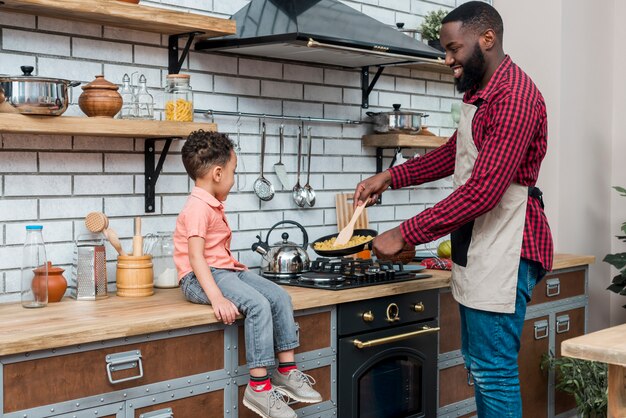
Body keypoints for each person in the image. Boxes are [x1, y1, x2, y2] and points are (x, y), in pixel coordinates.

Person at [354, 2, 553, 417]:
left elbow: (483, 191)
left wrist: (405, 233)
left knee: (493, 372)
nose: (448, 60)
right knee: (481, 368)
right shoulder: (485, 93)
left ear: (487, 39)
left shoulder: (514, 97)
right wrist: (391, 177)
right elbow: (453, 154)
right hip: (483, 244)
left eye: (453, 49)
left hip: (509, 245)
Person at [173, 130, 322, 418]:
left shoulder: (210, 204)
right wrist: (217, 298)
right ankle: (259, 387)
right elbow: (195, 257)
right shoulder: (197, 208)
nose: (234, 178)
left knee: (278, 296)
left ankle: (286, 372)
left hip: (223, 270)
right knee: (257, 305)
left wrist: (231, 271)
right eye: (233, 171)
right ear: (218, 173)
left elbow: (215, 254)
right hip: (199, 278)